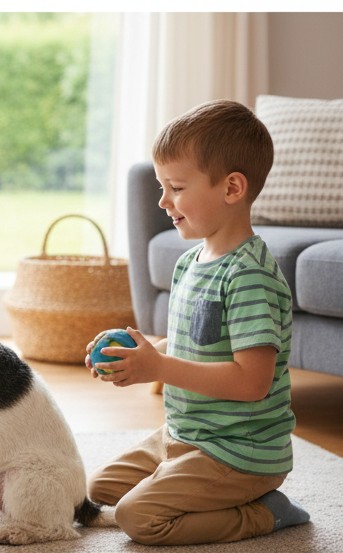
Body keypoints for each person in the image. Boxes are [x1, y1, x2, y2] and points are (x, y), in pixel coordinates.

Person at [84, 100, 310, 545]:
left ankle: (265, 513)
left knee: (137, 518)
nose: (163, 201)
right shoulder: (192, 262)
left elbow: (252, 383)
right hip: (187, 433)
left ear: (231, 188)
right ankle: (189, 478)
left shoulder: (250, 279)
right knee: (94, 493)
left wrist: (160, 370)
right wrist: (140, 354)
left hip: (239, 451)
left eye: (176, 187)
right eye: (162, 186)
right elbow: (191, 343)